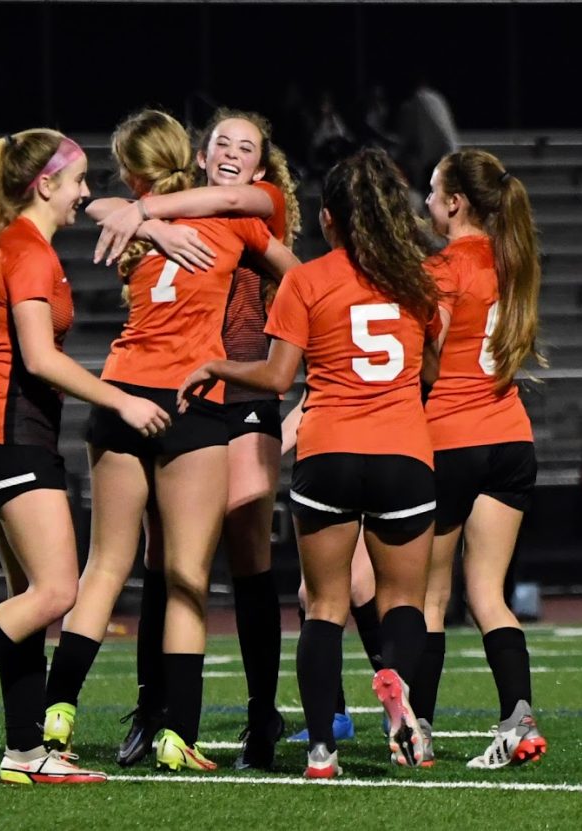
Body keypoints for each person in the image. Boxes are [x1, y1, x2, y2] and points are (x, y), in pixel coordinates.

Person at [0, 129, 171, 785]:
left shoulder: (14, 245)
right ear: (45, 183)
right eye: (76, 180)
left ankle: (24, 747)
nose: (84, 193)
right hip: (15, 437)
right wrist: (122, 400)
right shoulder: (29, 250)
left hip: (3, 437)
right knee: (56, 591)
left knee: (28, 596)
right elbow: (39, 359)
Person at [39, 109, 300, 773]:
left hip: (132, 389)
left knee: (113, 567)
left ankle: (59, 712)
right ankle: (167, 720)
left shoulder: (224, 208)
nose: (233, 154)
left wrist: (141, 214)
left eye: (247, 146)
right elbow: (304, 280)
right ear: (199, 151)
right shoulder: (219, 221)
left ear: (264, 165)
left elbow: (101, 201)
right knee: (180, 570)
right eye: (222, 143)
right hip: (197, 397)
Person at [179, 147, 440, 778]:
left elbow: (274, 378)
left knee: (323, 606)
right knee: (403, 603)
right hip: (403, 449)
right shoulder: (420, 282)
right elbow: (429, 375)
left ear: (328, 220)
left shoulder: (307, 278)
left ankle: (321, 746)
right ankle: (408, 713)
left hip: (327, 450)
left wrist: (216, 364)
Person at [414, 148, 548, 770]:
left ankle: (420, 730)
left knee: (431, 599)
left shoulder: (444, 267)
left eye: (432, 190)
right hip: (511, 437)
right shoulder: (515, 261)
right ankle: (518, 719)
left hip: (451, 438)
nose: (425, 201)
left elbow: (428, 356)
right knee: (489, 594)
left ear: (455, 202)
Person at [281, 395, 383, 745]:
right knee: (312, 593)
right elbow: (315, 395)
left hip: (373, 453)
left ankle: (402, 700)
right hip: (335, 455)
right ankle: (335, 714)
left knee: (358, 584)